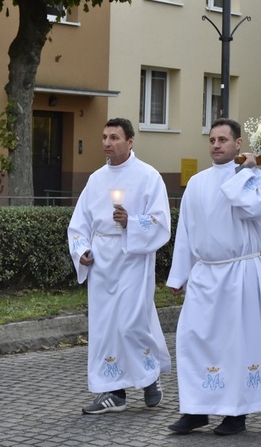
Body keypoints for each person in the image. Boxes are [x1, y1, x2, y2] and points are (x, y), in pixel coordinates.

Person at [165, 118, 261, 436]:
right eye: (212, 140)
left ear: (238, 144)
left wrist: (244, 173)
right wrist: (179, 276)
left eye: (223, 140)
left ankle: (237, 413)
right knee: (194, 340)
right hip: (205, 274)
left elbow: (252, 208)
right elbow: (186, 232)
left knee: (237, 345)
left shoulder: (257, 180)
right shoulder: (198, 183)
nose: (216, 145)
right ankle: (196, 409)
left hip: (240, 273)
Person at [68, 117, 171, 414]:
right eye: (104, 137)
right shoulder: (96, 179)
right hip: (102, 261)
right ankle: (112, 391)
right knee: (104, 327)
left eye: (114, 137)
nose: (107, 143)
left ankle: (149, 378)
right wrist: (82, 249)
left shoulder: (148, 176)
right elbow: (80, 223)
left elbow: (162, 222)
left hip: (132, 259)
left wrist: (132, 222)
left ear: (130, 141)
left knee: (130, 323)